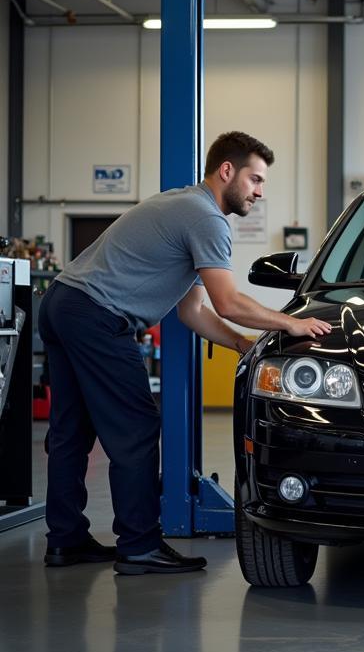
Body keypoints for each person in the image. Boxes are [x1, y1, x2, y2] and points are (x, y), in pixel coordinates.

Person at [38, 131, 331, 575]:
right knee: (135, 428)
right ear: (226, 171)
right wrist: (291, 323)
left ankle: (66, 540)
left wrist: (238, 343)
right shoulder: (206, 218)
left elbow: (193, 311)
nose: (259, 192)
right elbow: (230, 301)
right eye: (255, 179)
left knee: (71, 431)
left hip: (62, 303)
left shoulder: (182, 207)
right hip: (96, 315)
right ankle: (138, 546)